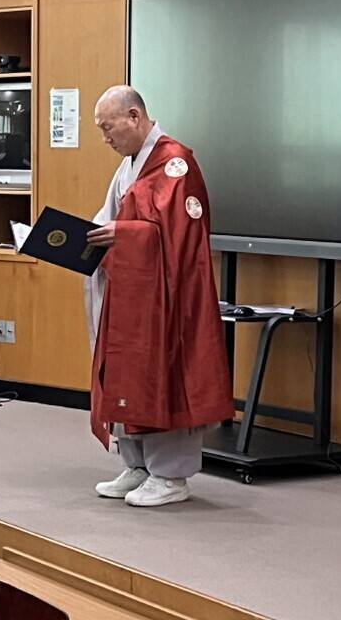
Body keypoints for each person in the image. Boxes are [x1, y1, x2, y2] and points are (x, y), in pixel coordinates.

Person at [84, 85, 234, 507]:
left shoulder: (175, 163)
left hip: (167, 296)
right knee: (123, 368)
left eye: (109, 128)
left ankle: (171, 475)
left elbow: (182, 238)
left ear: (134, 117)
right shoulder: (132, 164)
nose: (106, 138)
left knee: (163, 372)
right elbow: (110, 217)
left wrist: (124, 235)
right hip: (128, 290)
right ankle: (138, 464)